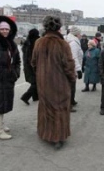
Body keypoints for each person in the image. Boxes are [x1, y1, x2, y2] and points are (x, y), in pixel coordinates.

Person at [31, 16, 76, 149]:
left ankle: (44, 132)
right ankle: (57, 137)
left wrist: (40, 75)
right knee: (59, 109)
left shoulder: (39, 42)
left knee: (45, 107)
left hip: (43, 82)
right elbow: (69, 65)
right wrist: (72, 78)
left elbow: (33, 63)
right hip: (59, 83)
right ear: (59, 28)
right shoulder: (63, 44)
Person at [65, 27, 83, 113]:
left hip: (70, 67)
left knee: (72, 86)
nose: (81, 35)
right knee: (71, 87)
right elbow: (74, 57)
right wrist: (79, 70)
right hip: (72, 68)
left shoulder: (72, 41)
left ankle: (72, 101)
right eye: (80, 33)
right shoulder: (73, 43)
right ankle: (69, 105)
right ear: (76, 34)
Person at [21, 28, 40, 105]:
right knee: (36, 82)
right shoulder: (36, 41)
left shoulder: (27, 42)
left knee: (34, 81)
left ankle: (35, 97)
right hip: (33, 65)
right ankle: (25, 97)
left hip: (27, 65)